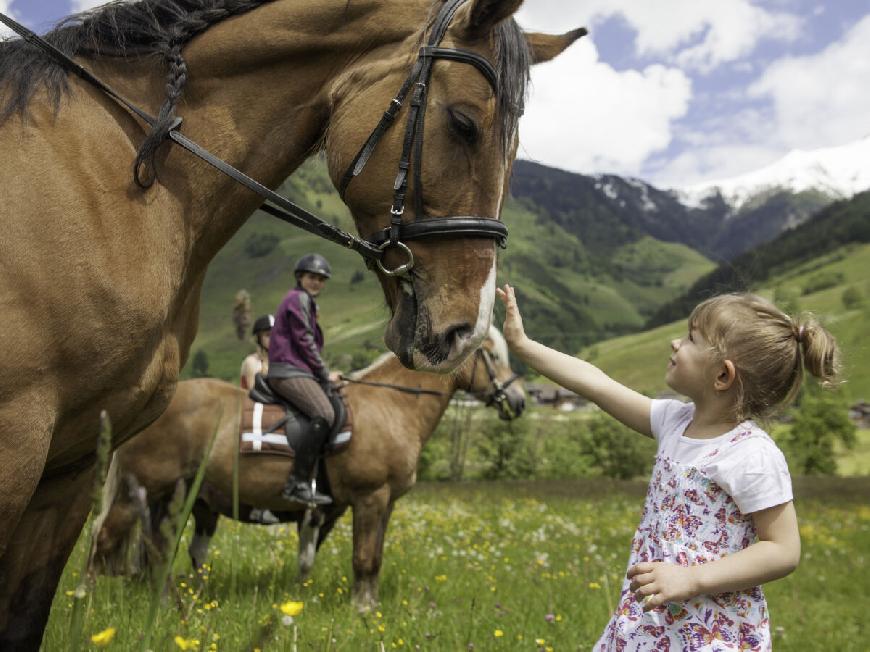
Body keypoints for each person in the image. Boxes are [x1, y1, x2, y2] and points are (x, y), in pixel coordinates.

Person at [496, 285, 839, 651]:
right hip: (650, 623)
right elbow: (595, 383)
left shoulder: (751, 455)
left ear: (722, 377)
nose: (675, 343)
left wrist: (692, 578)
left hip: (711, 634)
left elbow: (782, 550)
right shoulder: (673, 421)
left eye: (691, 339)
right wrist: (522, 345)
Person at [268, 253, 341, 506]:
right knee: (325, 414)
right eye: (312, 277)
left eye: (321, 279)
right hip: (289, 370)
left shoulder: (302, 300)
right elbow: (304, 341)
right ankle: (296, 483)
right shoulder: (298, 298)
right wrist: (324, 374)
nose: (317, 282)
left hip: (297, 370)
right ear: (300, 277)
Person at [240, 314, 274, 390]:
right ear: (259, 339)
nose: (273, 338)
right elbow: (255, 394)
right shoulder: (252, 362)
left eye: (276, 334)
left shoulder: (281, 361)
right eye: (268, 335)